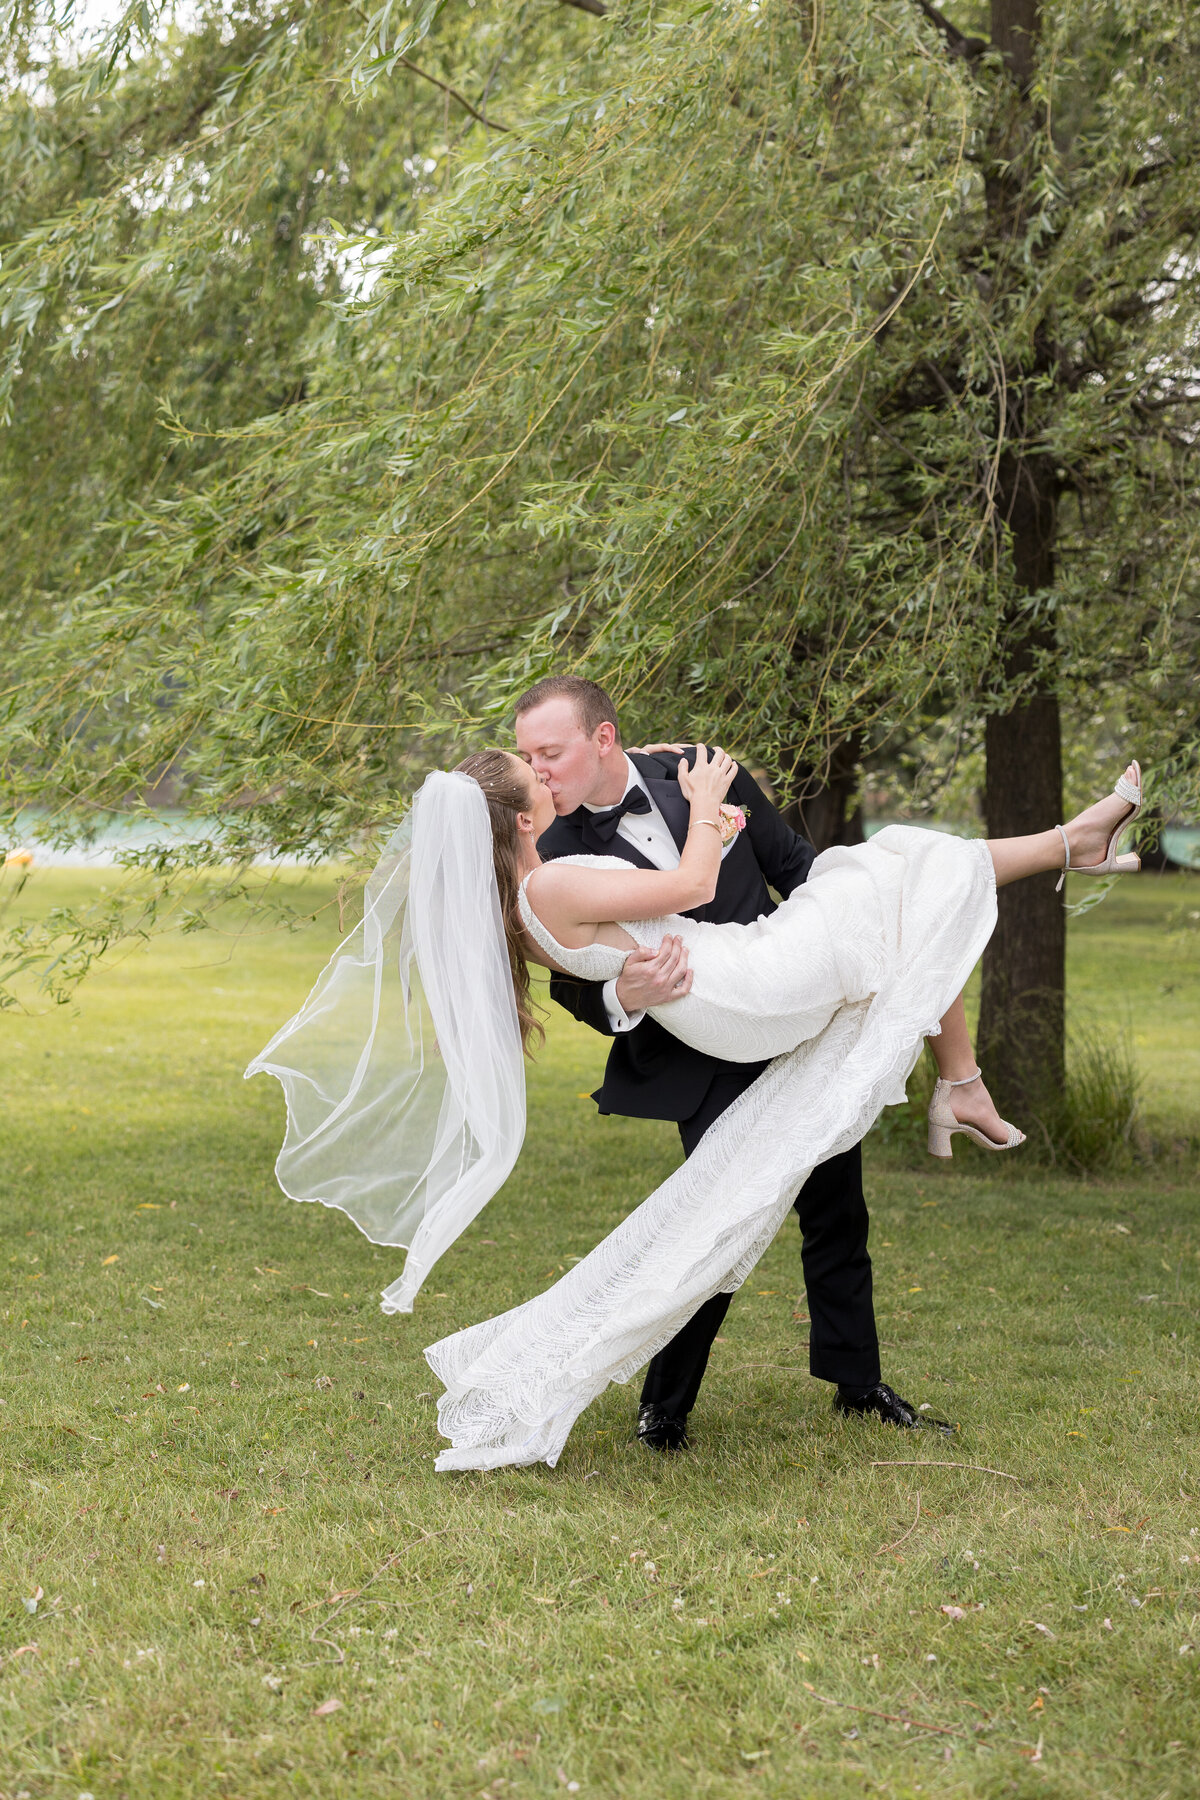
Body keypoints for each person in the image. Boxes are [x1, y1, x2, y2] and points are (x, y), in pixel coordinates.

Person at [420, 741, 1140, 1471]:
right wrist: (704, 807)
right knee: (902, 865)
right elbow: (693, 887)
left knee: (899, 887)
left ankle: (962, 1082)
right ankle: (1062, 857)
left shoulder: (527, 901)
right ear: (516, 823)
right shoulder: (551, 885)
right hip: (745, 986)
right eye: (528, 772)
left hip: (733, 979)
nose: (541, 773)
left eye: (545, 756)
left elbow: (675, 901)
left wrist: (698, 805)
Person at [513, 677, 920, 1452]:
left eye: (552, 752)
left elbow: (794, 865)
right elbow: (571, 984)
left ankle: (857, 1382)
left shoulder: (699, 771)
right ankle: (664, 1409)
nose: (542, 771)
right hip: (700, 1049)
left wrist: (842, 952)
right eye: (530, 757)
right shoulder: (553, 853)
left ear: (603, 740)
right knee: (713, 1227)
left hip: (798, 1011)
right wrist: (622, 998)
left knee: (837, 1208)